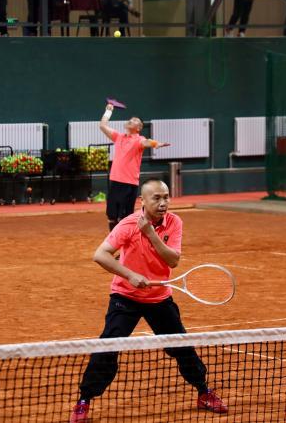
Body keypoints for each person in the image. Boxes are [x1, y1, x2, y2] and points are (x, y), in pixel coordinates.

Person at [69, 179, 228, 423]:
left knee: (182, 347)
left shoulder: (174, 222)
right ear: (142, 201)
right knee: (107, 346)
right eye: (157, 198)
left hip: (159, 297)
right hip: (125, 297)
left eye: (166, 197)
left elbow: (173, 260)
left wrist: (150, 233)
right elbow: (100, 255)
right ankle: (84, 401)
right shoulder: (128, 224)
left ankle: (203, 392)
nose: (163, 203)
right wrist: (130, 275)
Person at [99, 102, 170, 232]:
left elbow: (146, 142)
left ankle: (128, 241)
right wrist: (108, 111)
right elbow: (103, 126)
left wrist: (156, 144)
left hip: (129, 183)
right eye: (130, 119)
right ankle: (115, 241)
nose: (131, 121)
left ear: (139, 128)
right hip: (115, 181)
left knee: (125, 218)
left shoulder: (138, 139)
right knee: (111, 216)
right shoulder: (119, 137)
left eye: (135, 120)